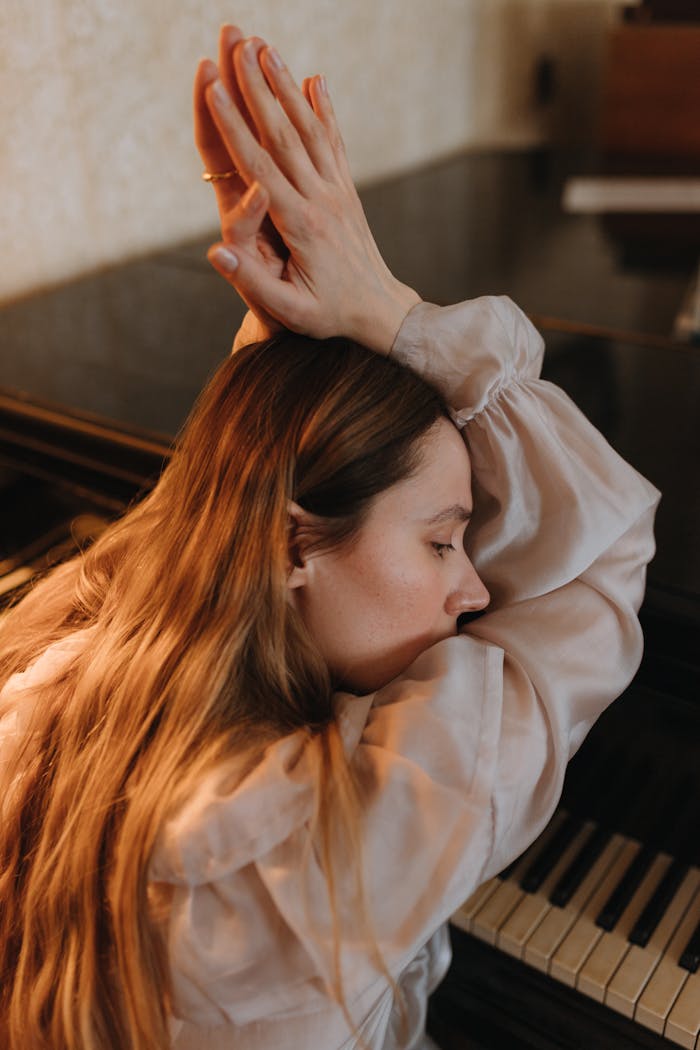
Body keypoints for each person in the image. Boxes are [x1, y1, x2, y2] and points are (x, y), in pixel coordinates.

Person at [0, 23, 660, 1050]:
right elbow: (603, 561)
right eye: (443, 542)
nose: (476, 590)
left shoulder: (39, 669)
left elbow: (209, 514)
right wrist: (390, 314)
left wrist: (278, 366)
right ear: (287, 548)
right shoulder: (327, 834)